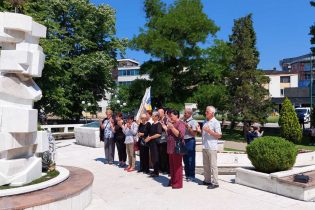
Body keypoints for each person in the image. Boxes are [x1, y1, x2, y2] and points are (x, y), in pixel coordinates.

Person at [201, 106, 222, 189]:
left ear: (212, 113)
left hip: (212, 147)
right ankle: (207, 180)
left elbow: (219, 135)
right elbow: (204, 133)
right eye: (205, 111)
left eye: (207, 112)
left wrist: (210, 131)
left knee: (213, 165)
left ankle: (215, 182)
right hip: (205, 146)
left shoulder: (216, 122)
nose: (205, 113)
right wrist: (200, 130)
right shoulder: (205, 121)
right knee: (206, 164)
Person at [167, 109, 186, 189]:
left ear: (176, 115)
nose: (170, 117)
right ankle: (173, 180)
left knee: (177, 165)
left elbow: (180, 135)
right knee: (171, 165)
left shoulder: (180, 123)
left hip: (177, 148)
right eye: (169, 116)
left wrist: (171, 127)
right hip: (171, 147)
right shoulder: (172, 123)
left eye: (171, 116)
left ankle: (178, 183)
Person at [145, 111, 162, 177]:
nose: (152, 117)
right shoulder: (152, 124)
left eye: (153, 116)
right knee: (152, 157)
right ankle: (154, 170)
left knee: (155, 157)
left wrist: (150, 137)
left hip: (156, 143)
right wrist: (148, 138)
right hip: (151, 143)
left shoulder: (158, 124)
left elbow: (159, 134)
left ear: (157, 117)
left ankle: (156, 172)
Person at [182, 108, 198, 182]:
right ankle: (187, 175)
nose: (184, 114)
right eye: (184, 113)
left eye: (185, 113)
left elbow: (194, 134)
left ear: (189, 114)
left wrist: (188, 127)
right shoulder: (183, 121)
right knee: (185, 159)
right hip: (183, 141)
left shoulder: (193, 122)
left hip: (190, 141)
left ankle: (192, 176)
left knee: (191, 159)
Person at [158, 108, 169, 174]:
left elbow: (167, 128)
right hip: (159, 139)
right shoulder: (159, 119)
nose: (158, 114)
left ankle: (165, 169)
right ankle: (161, 168)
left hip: (165, 139)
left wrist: (163, 126)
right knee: (160, 154)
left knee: (165, 155)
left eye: (159, 113)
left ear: (163, 113)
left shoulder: (166, 119)